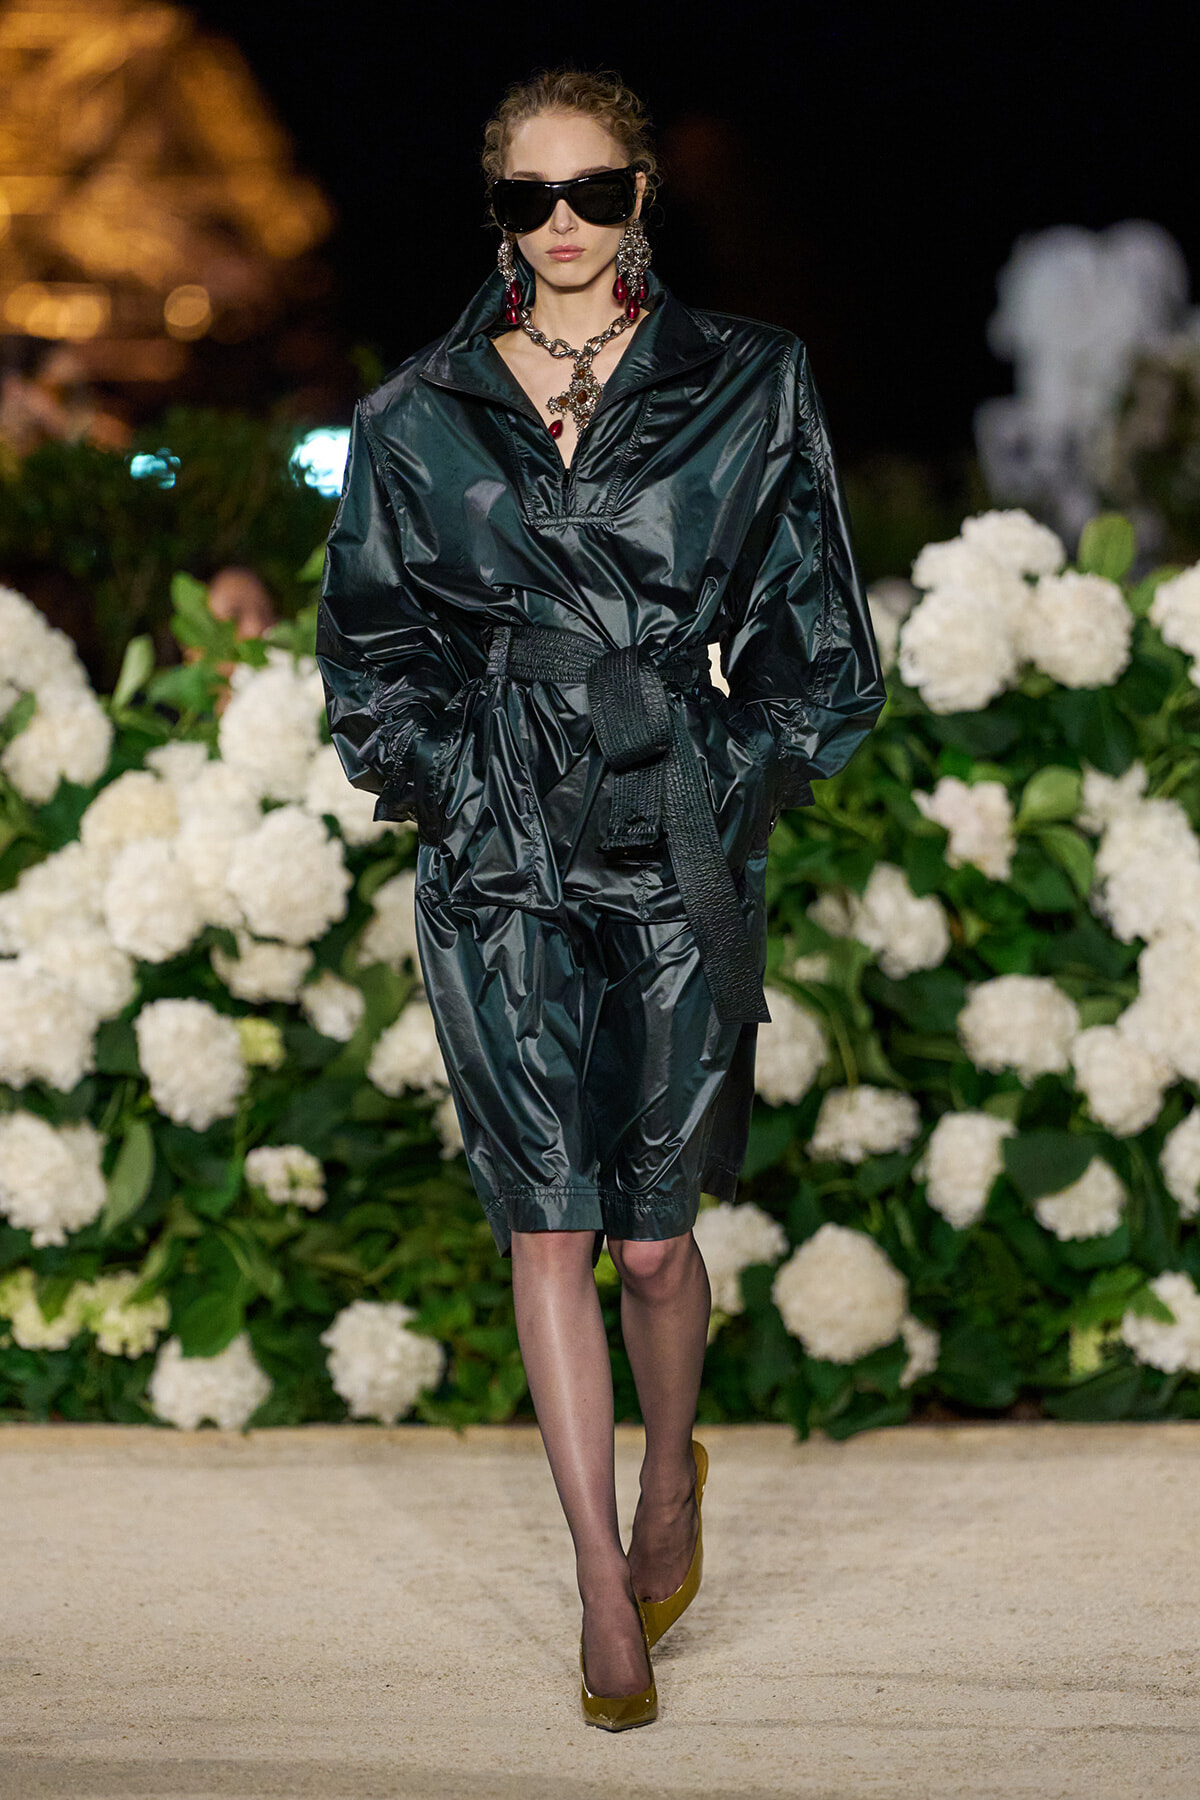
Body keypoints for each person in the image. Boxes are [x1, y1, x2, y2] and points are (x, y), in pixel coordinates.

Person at [316, 67, 886, 1730]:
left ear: (644, 195)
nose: (563, 223)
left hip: (671, 826)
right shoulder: (417, 413)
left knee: (650, 1242)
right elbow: (369, 646)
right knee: (549, 1220)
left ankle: (669, 1482)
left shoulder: (749, 380)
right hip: (496, 845)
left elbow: (821, 639)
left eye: (596, 191)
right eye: (529, 197)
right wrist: (451, 774)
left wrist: (730, 767)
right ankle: (594, 1583)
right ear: (495, 214)